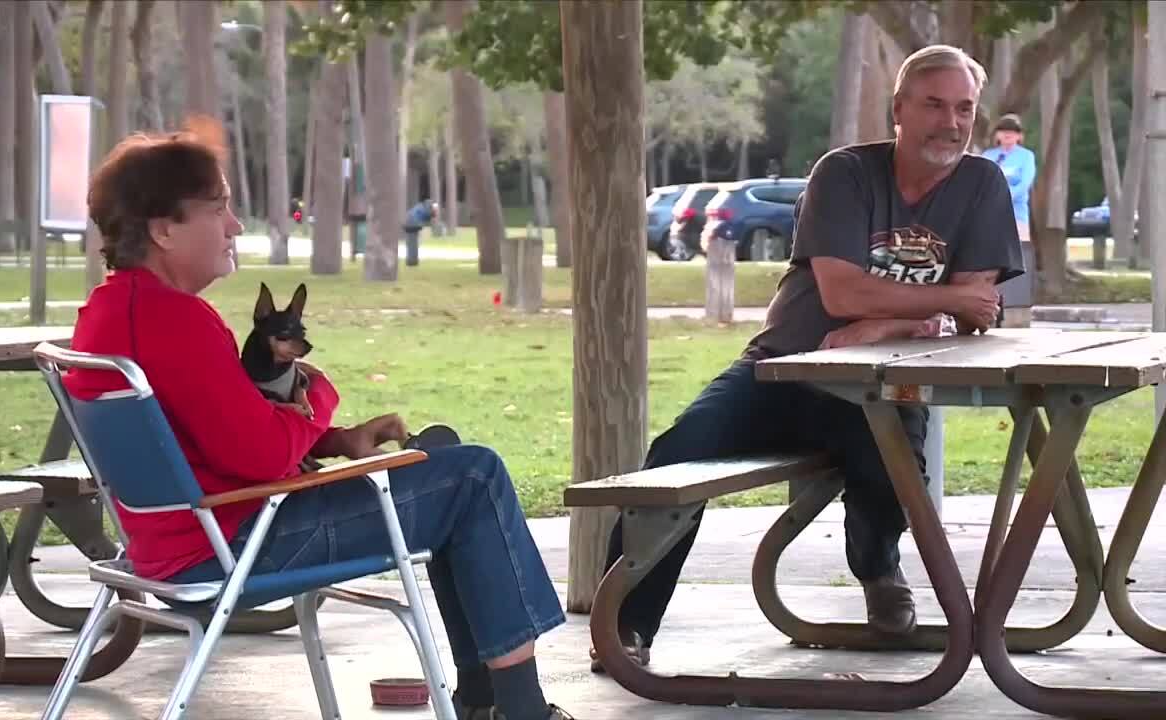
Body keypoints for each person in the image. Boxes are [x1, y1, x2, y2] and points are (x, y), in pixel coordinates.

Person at [63, 118, 574, 720]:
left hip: (171, 543)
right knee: (475, 477)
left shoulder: (108, 311)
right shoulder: (178, 322)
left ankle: (487, 700)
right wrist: (317, 392)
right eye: (219, 209)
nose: (234, 225)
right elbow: (260, 455)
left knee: (446, 463)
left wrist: (334, 439)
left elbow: (216, 435)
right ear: (165, 229)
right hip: (236, 546)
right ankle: (520, 710)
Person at [591, 44, 1024, 672]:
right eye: (934, 105)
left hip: (882, 382)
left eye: (964, 108)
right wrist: (924, 303)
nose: (951, 123)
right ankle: (625, 626)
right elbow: (842, 291)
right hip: (781, 367)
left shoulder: (980, 183)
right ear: (899, 108)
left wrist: (883, 323)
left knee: (890, 469)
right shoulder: (843, 173)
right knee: (675, 456)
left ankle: (879, 571)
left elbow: (975, 309)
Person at [981, 113, 1036, 241]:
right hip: (989, 215)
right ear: (997, 134)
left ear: (1019, 135)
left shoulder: (1026, 156)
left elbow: (1025, 184)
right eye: (1003, 130)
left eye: (1013, 130)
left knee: (1017, 254)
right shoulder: (987, 155)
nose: (1008, 134)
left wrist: (1003, 197)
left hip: (1016, 215)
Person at [403, 199, 439, 266]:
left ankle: (411, 260)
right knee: (413, 243)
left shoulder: (420, 206)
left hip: (408, 223)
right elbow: (429, 214)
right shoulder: (425, 208)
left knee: (411, 243)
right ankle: (412, 261)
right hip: (413, 224)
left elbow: (427, 216)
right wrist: (434, 212)